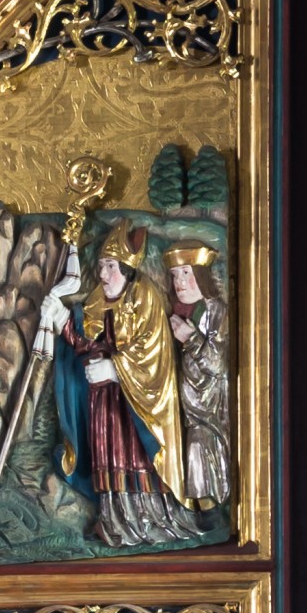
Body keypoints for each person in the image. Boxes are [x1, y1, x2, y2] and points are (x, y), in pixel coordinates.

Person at [54, 226, 197, 547]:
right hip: (103, 402)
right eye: (101, 265)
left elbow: (152, 354)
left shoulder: (144, 297)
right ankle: (114, 520)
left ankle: (146, 522)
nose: (102, 273)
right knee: (108, 458)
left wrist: (115, 368)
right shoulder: (97, 300)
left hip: (135, 406)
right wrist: (63, 321)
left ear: (127, 270)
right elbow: (87, 342)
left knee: (134, 456)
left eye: (110, 266)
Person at [166, 240, 235, 516]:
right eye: (174, 275)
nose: (179, 282)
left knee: (200, 449)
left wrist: (190, 338)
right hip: (186, 405)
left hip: (209, 409)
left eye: (186, 273)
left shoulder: (216, 311)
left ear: (201, 275)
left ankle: (208, 512)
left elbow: (217, 364)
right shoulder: (179, 312)